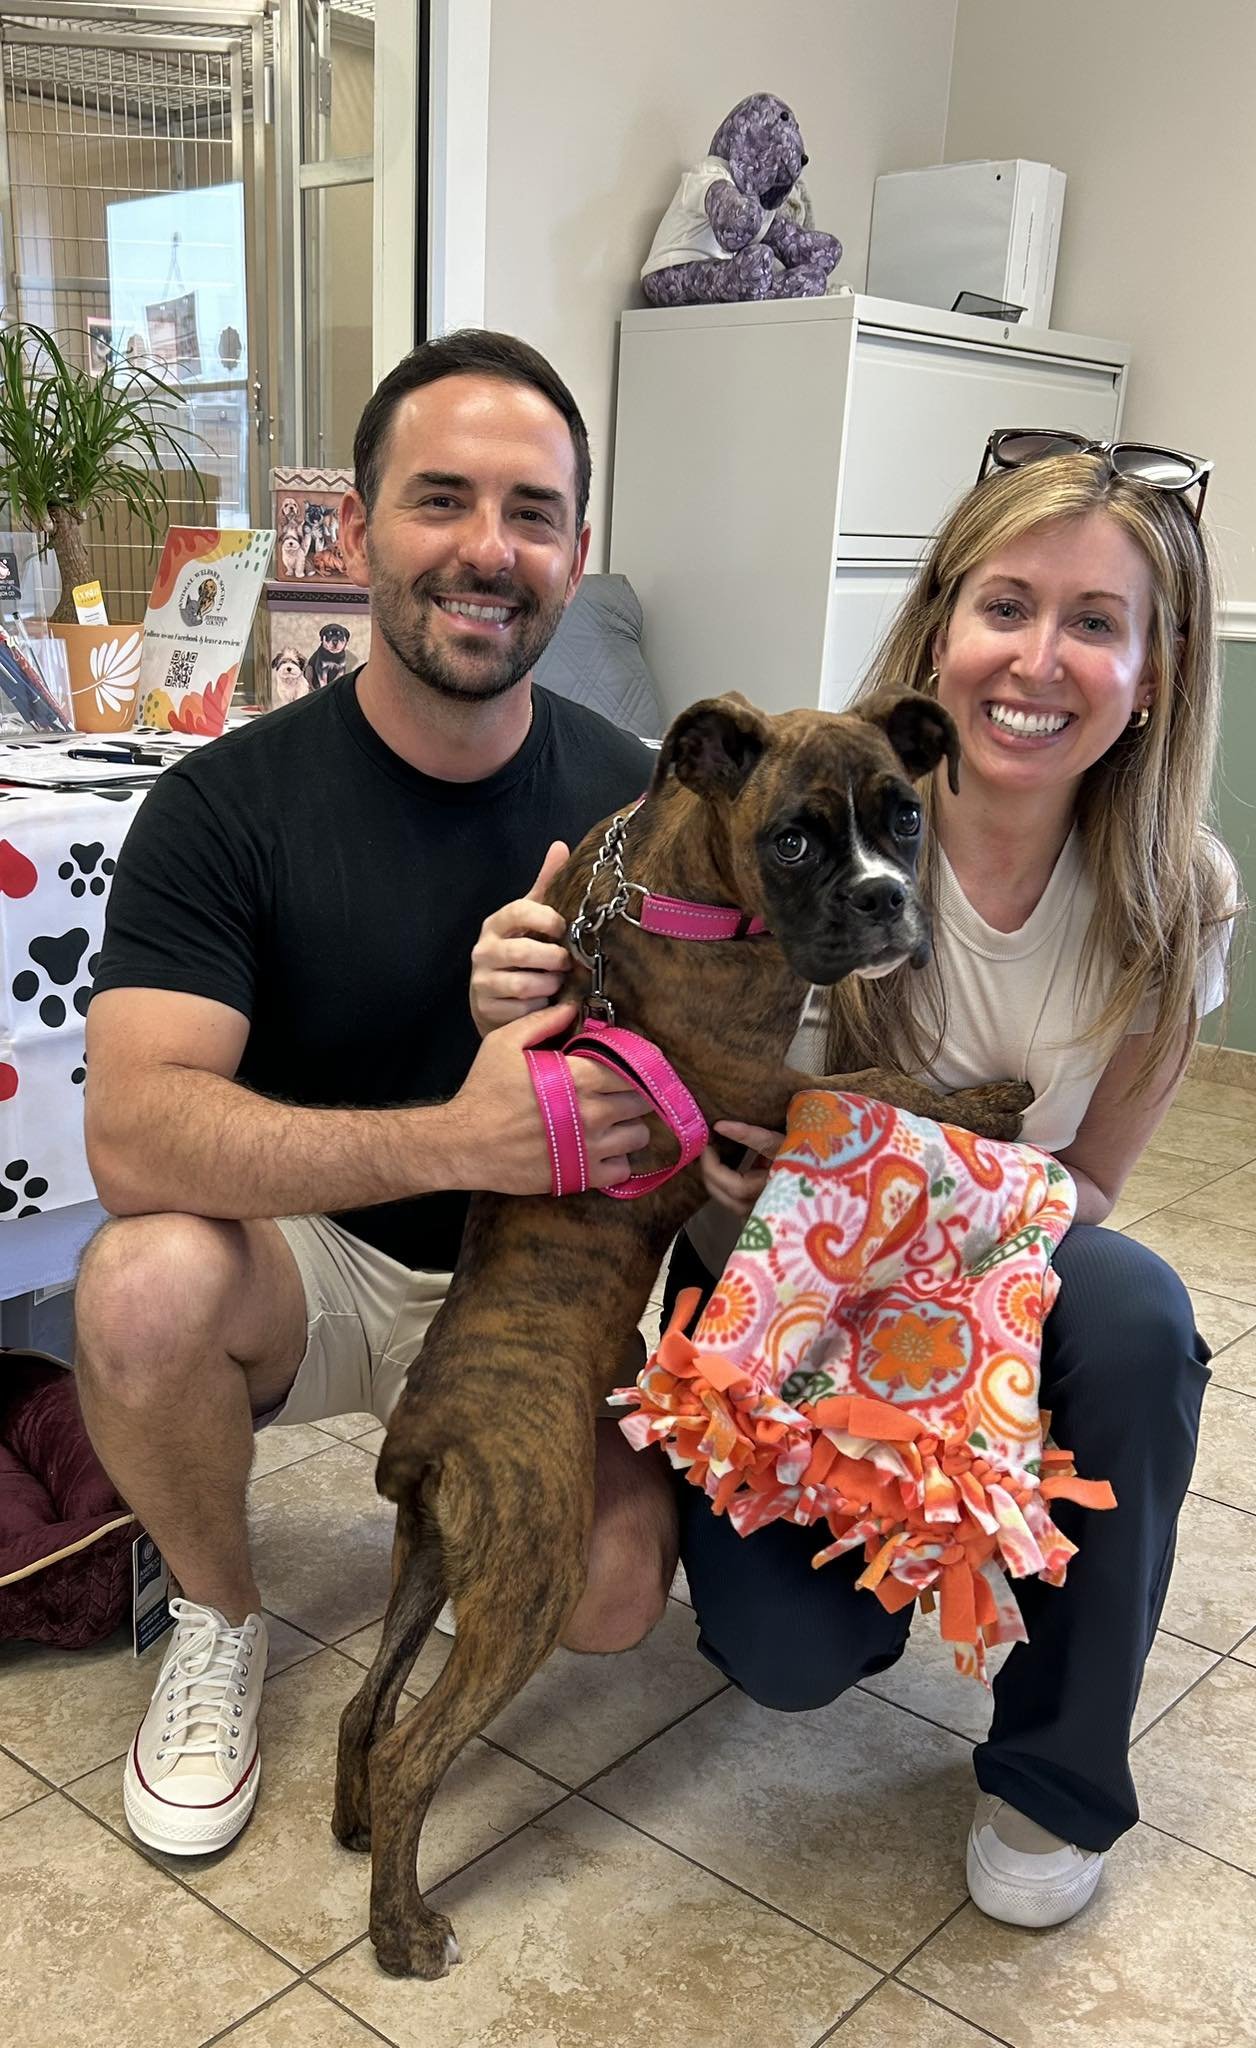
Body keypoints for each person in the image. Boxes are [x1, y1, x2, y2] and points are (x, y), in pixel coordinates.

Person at [481, 429, 1236, 1931]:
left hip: (983, 1264)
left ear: (1153, 672)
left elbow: (1086, 1184)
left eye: (1096, 622)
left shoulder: (1175, 892)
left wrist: (895, 1178)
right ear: (943, 628)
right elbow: (614, 971)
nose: (1040, 656)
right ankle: (903, 1520)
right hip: (766, 1273)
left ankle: (1057, 1775)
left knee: (1138, 1316)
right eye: (1007, 604)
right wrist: (531, 970)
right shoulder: (803, 801)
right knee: (784, 1658)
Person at [75, 329, 667, 1860]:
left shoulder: (645, 800)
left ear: (578, 549)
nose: (489, 549)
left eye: (532, 513)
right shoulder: (224, 806)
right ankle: (217, 1613)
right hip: (318, 1265)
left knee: (607, 1600)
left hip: (543, 1281)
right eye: (442, 500)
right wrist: (454, 1137)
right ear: (356, 528)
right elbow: (136, 1131)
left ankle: (467, 1494)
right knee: (141, 1289)